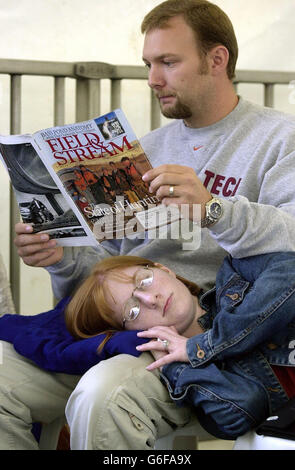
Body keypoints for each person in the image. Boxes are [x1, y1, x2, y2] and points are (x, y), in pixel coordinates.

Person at [4, 0, 295, 450]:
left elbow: (292, 244)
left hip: (203, 332)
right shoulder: (146, 148)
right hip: (120, 324)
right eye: (148, 64)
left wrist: (213, 209)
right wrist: (62, 261)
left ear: (216, 60)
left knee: (105, 394)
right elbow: (111, 270)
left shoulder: (279, 139)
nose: (153, 79)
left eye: (168, 62)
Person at [64, 252, 295, 439]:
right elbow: (242, 411)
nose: (150, 299)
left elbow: (290, 272)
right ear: (131, 334)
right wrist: (173, 367)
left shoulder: (235, 273)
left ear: (164, 269)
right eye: (132, 311)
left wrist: (201, 346)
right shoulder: (189, 378)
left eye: (144, 281)